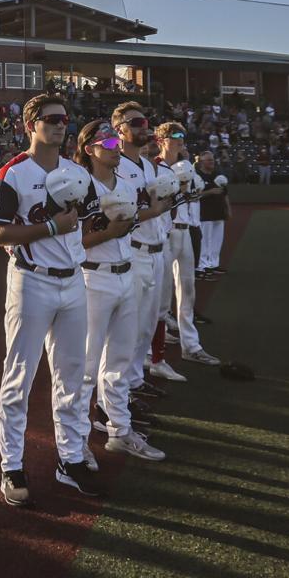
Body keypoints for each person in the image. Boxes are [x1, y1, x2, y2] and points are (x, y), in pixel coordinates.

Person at [0, 93, 101, 507]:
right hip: (31, 282)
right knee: (20, 376)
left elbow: (90, 219)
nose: (59, 124)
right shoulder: (13, 173)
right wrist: (50, 226)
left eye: (64, 119)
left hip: (73, 282)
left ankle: (69, 459)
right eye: (50, 119)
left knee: (71, 376)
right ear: (30, 124)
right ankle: (11, 464)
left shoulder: (74, 172)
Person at [74, 119, 164, 462]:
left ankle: (120, 431)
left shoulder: (124, 184)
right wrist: (111, 232)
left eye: (116, 143)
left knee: (120, 361)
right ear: (90, 150)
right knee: (85, 367)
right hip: (94, 279)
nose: (115, 148)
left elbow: (132, 225)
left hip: (125, 273)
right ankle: (77, 444)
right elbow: (74, 244)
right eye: (107, 144)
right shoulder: (80, 186)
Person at [111, 102, 173, 405]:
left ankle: (135, 380)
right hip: (132, 252)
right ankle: (119, 393)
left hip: (156, 250)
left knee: (147, 324)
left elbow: (156, 206)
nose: (143, 128)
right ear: (119, 129)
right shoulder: (114, 163)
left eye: (145, 122)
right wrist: (154, 209)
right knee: (128, 327)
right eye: (135, 123)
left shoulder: (148, 165)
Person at [155, 124, 220, 368]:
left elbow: (191, 197)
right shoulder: (156, 167)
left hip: (184, 231)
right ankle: (156, 351)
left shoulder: (188, 168)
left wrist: (191, 191)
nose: (181, 140)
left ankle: (191, 345)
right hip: (166, 233)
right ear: (162, 139)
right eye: (176, 136)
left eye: (183, 136)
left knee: (187, 290)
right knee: (161, 296)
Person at [196, 151, 231, 278]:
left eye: (212, 160)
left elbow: (224, 193)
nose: (212, 162)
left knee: (217, 241)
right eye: (208, 160)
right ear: (201, 162)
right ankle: (203, 266)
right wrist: (210, 191)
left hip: (218, 212)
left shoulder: (218, 174)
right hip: (205, 213)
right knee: (205, 241)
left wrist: (228, 209)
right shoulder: (197, 176)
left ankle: (213, 264)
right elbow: (195, 195)